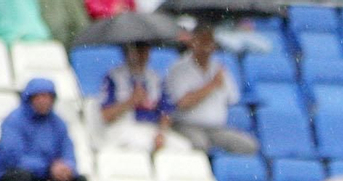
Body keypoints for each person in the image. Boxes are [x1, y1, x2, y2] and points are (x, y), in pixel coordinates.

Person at [165, 22, 259, 155]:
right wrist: (212, 85)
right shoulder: (178, 69)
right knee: (200, 145)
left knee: (248, 146)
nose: (207, 47)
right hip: (187, 125)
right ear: (193, 43)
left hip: (216, 128)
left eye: (209, 42)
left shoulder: (219, 69)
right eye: (203, 41)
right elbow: (182, 103)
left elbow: (233, 98)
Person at [0, 78, 89, 181]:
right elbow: (13, 158)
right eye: (40, 96)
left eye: (49, 97)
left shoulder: (58, 123)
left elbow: (67, 149)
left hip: (47, 175)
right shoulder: (13, 121)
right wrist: (47, 167)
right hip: (15, 173)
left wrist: (67, 167)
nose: (45, 101)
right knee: (22, 177)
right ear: (30, 98)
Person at [99, 42, 180, 153]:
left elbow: (166, 112)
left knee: (182, 147)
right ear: (127, 52)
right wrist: (131, 101)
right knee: (142, 145)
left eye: (145, 51)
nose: (142, 55)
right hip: (123, 128)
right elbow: (105, 116)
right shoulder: (113, 77)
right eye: (138, 51)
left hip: (152, 129)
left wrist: (161, 133)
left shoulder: (155, 78)